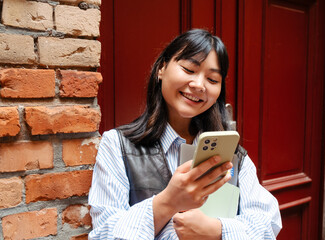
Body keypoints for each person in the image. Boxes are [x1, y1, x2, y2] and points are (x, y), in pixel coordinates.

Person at [88, 29, 282, 239]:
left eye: (213, 79)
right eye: (189, 69)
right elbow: (104, 234)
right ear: (161, 68)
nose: (199, 85)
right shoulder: (117, 146)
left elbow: (268, 224)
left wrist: (218, 231)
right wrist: (168, 201)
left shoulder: (233, 156)